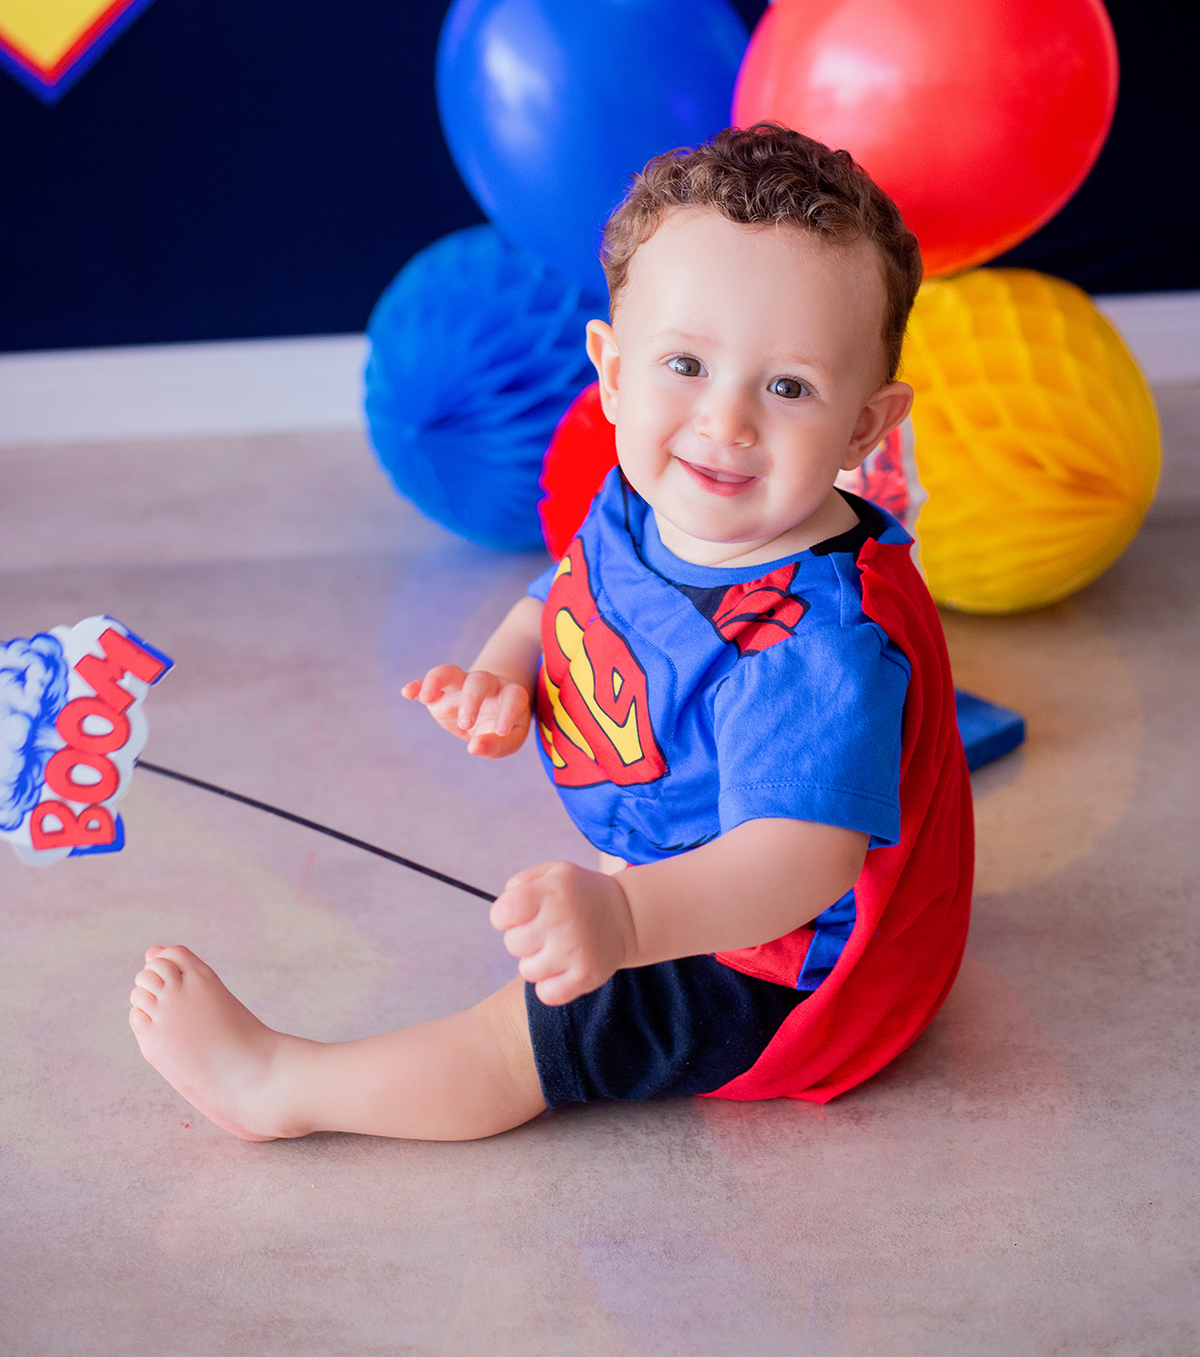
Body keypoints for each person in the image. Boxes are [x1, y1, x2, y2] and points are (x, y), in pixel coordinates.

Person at [127, 124, 973, 1141]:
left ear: (866, 428)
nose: (726, 423)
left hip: (776, 963)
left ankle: (276, 1088)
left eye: (787, 386)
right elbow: (564, 595)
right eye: (685, 364)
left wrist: (631, 922)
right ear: (611, 373)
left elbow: (799, 864)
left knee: (524, 1037)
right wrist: (504, 672)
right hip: (681, 863)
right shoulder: (646, 500)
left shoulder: (810, 644)